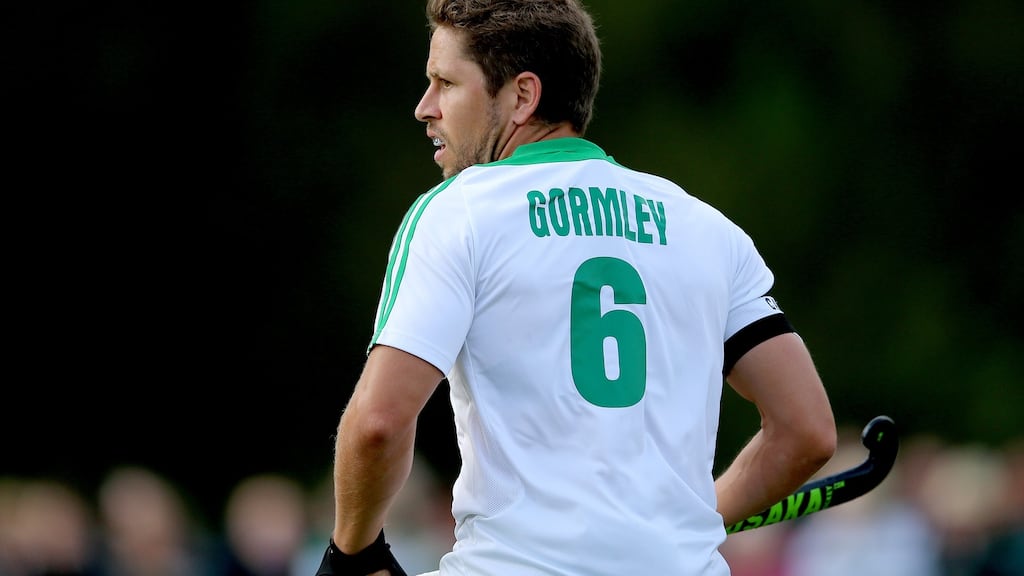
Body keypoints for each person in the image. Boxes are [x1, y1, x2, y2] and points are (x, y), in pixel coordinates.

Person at [315, 1, 837, 574]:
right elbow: (805, 429)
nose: (425, 108)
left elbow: (379, 423)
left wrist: (353, 552)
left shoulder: (458, 213)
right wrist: (684, 519)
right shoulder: (707, 227)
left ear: (522, 96)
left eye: (445, 83)